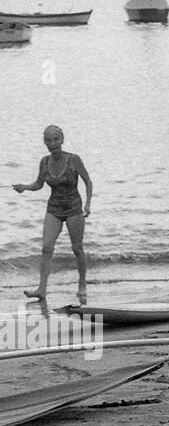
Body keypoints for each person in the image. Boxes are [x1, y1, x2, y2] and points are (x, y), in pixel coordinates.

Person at [12, 125, 93, 304]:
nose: (52, 143)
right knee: (46, 248)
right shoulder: (44, 162)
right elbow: (39, 184)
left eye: (55, 139)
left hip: (74, 208)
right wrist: (24, 187)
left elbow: (88, 181)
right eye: (48, 140)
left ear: (62, 140)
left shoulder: (74, 159)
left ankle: (82, 286)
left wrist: (87, 204)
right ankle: (41, 289)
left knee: (77, 248)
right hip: (53, 209)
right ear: (45, 142)